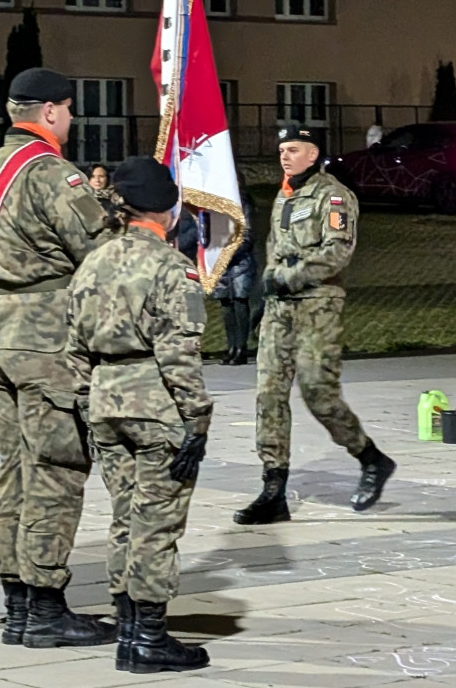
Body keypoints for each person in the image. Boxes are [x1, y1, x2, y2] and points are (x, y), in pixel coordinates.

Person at [0, 67, 115, 647]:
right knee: (55, 469)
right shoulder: (53, 174)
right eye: (69, 111)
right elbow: (97, 256)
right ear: (49, 111)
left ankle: (19, 601)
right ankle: (47, 605)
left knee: (16, 468)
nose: (71, 121)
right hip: (45, 336)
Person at [67, 156, 211, 674]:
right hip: (155, 405)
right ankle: (149, 636)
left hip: (106, 401)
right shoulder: (174, 268)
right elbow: (179, 351)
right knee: (157, 521)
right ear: (167, 211)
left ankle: (128, 626)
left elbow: (73, 344)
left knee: (125, 517)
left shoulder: (93, 261)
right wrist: (197, 417)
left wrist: (88, 400)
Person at [234, 124, 396, 525]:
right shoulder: (284, 195)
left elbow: (337, 251)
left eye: (294, 149)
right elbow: (275, 247)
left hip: (318, 303)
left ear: (313, 154)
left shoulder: (334, 196)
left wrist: (288, 277)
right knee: (268, 394)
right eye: (282, 149)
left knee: (317, 392)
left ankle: (370, 457)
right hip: (279, 309)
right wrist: (267, 289)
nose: (285, 156)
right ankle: (273, 488)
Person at [212, 182, 257, 365]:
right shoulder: (215, 204)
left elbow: (247, 235)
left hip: (240, 261)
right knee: (226, 303)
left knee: (239, 301)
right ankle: (231, 346)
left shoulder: (243, 204)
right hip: (221, 261)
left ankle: (241, 347)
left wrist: (229, 254)